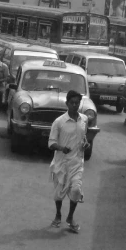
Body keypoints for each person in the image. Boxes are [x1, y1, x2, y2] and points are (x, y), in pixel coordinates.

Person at [48, 90, 90, 233]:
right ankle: (58, 214)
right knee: (59, 193)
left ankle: (70, 217)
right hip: (61, 164)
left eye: (77, 103)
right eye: (71, 103)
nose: (74, 105)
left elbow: (84, 137)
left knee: (76, 190)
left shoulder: (84, 119)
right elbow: (51, 143)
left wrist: (86, 144)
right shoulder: (59, 122)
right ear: (67, 104)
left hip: (77, 163)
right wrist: (61, 148)